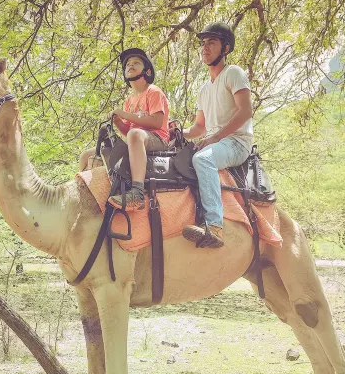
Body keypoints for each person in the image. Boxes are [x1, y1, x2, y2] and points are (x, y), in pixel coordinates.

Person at [182, 22, 254, 248]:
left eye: (211, 42)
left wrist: (214, 138)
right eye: (203, 43)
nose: (205, 47)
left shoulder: (233, 73)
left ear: (226, 48)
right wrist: (177, 132)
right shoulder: (203, 89)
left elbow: (246, 111)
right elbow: (199, 128)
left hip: (236, 143)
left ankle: (214, 227)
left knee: (202, 158)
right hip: (215, 143)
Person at [104, 48, 171, 210]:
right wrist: (119, 122)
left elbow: (156, 122)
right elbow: (129, 133)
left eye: (136, 63)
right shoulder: (129, 101)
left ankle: (137, 194)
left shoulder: (153, 91)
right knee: (92, 153)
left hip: (158, 139)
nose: (130, 65)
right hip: (139, 139)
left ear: (147, 71)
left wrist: (125, 115)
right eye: (127, 64)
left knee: (135, 134)